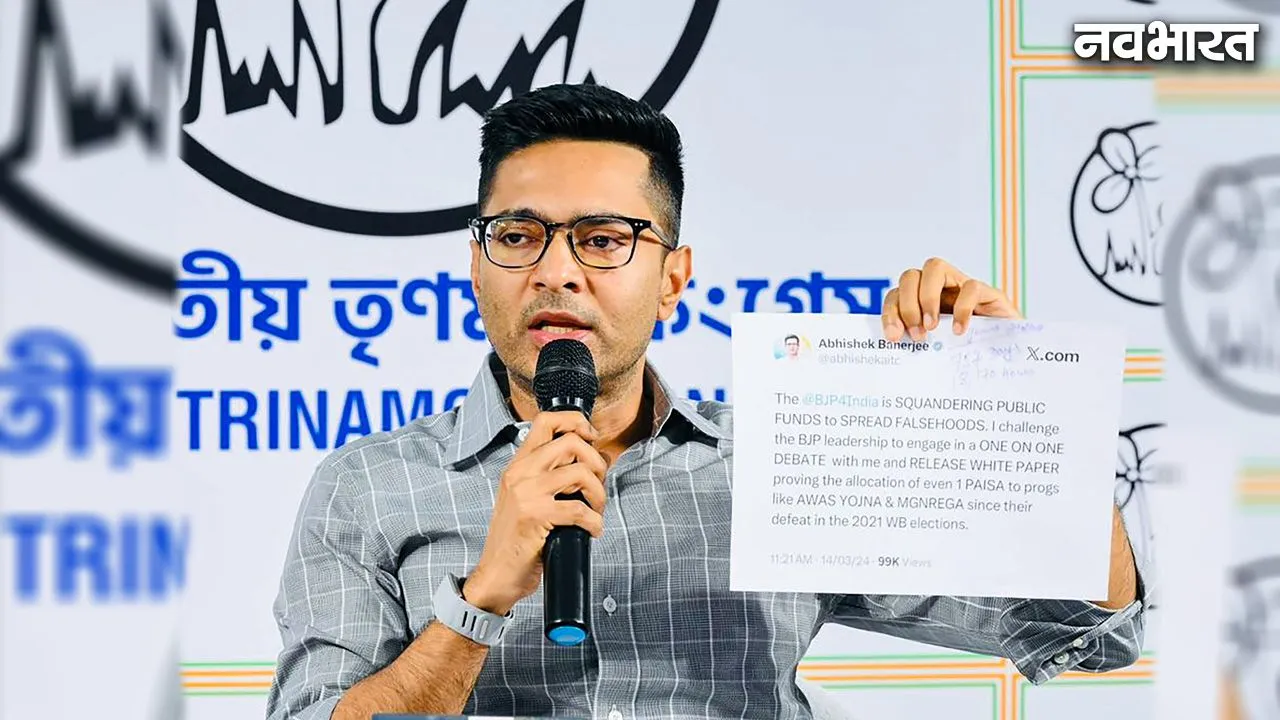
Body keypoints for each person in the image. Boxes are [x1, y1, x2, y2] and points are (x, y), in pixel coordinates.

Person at [265, 83, 1147, 720]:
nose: (556, 271)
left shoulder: (784, 459)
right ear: (477, 264)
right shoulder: (368, 486)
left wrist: (1029, 400)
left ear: (673, 279)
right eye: (519, 235)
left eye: (603, 239)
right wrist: (483, 597)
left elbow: (1089, 633)